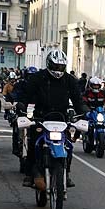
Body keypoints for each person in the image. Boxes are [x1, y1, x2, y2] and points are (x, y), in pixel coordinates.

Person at [15, 49, 86, 190]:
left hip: (61, 119)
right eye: (55, 66)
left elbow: (78, 100)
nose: (58, 69)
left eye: (61, 67)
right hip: (41, 116)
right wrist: (21, 106)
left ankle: (66, 173)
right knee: (33, 142)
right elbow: (26, 95)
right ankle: (30, 174)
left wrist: (84, 112)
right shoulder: (37, 78)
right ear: (49, 64)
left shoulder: (70, 80)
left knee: (67, 145)